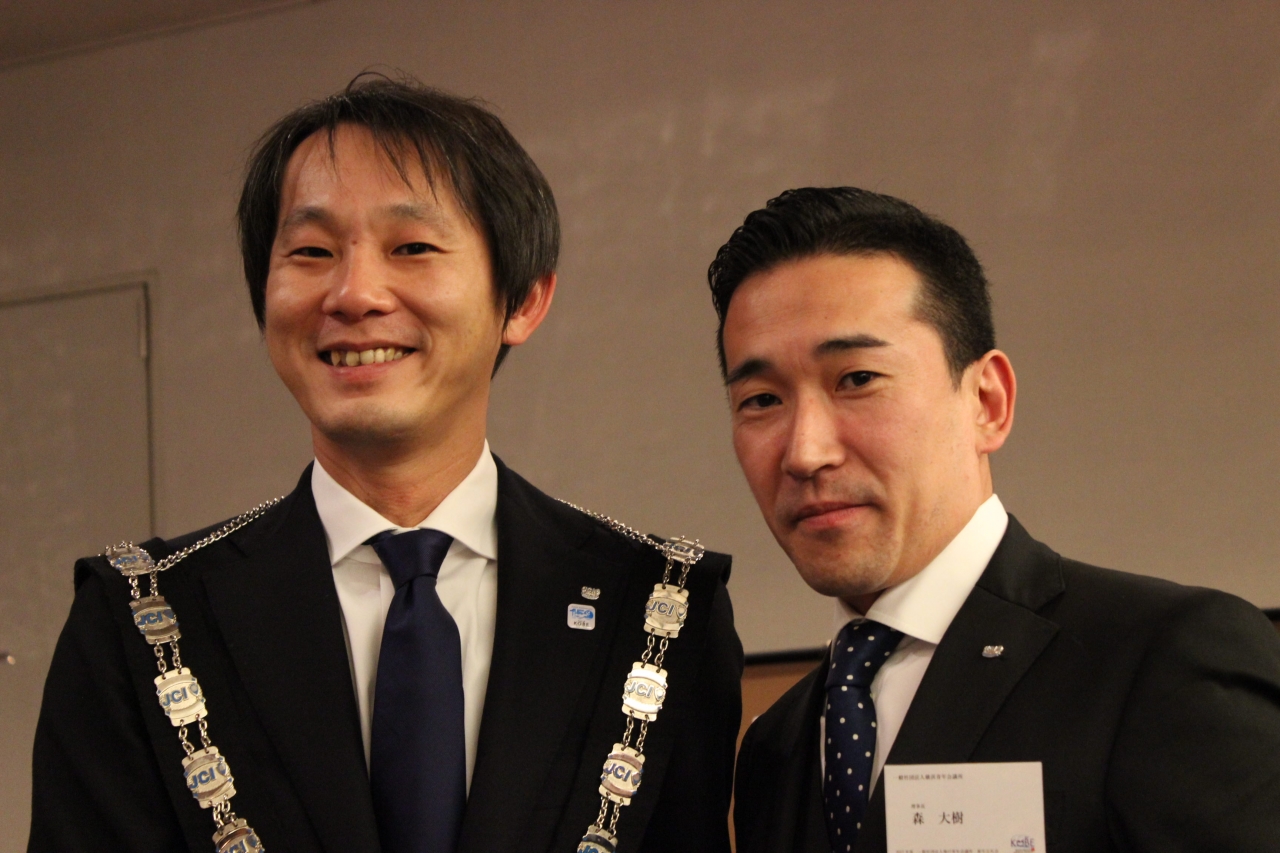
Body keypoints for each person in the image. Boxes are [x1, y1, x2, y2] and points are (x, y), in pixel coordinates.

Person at [29, 75, 742, 853]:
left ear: (523, 300)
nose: (354, 293)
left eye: (412, 248)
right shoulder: (140, 621)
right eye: (311, 252)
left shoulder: (661, 608)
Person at [714, 187, 1280, 853]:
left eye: (858, 379)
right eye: (761, 399)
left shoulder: (1162, 662)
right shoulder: (777, 746)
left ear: (987, 402)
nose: (805, 452)